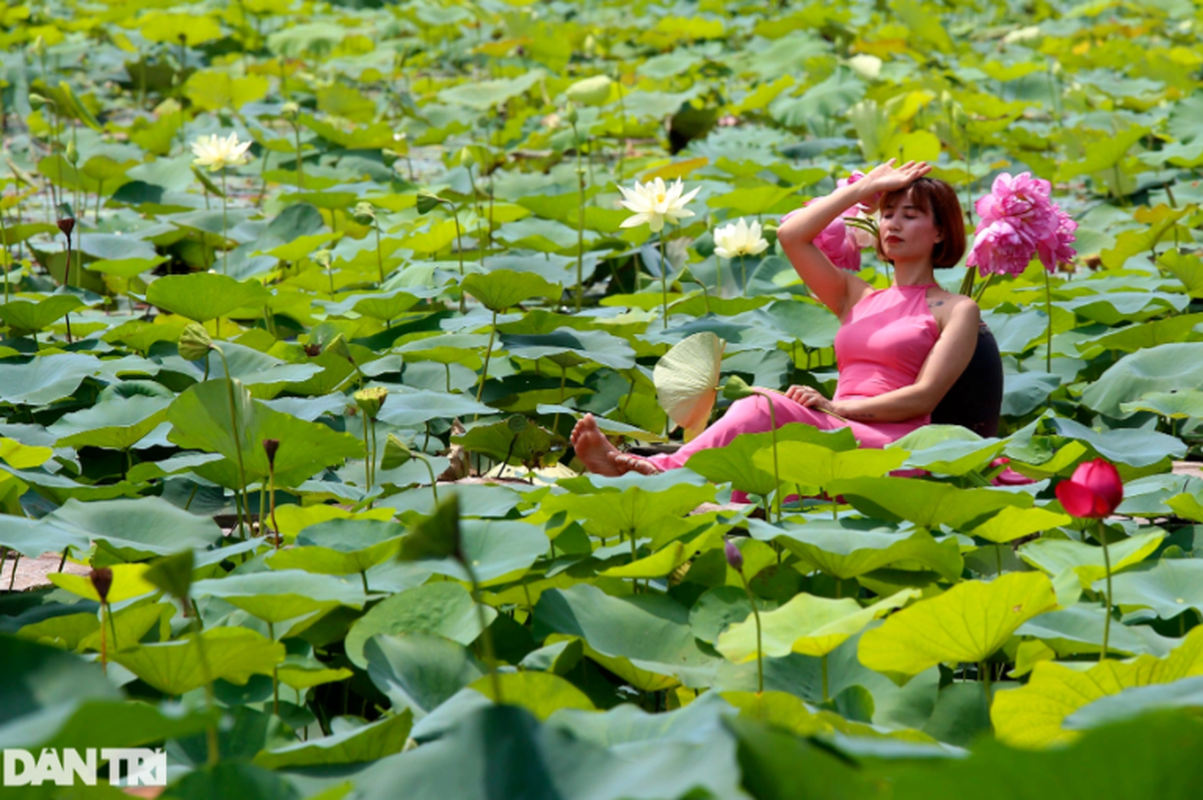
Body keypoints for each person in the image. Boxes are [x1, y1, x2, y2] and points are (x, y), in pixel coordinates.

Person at [571, 159, 981, 477]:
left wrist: (834, 407)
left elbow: (924, 397)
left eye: (910, 216)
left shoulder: (957, 309)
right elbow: (791, 235)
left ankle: (658, 470)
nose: (893, 224)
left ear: (940, 232)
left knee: (759, 408)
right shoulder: (854, 295)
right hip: (834, 425)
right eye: (888, 213)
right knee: (762, 436)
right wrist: (861, 189)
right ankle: (673, 480)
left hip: (890, 441)